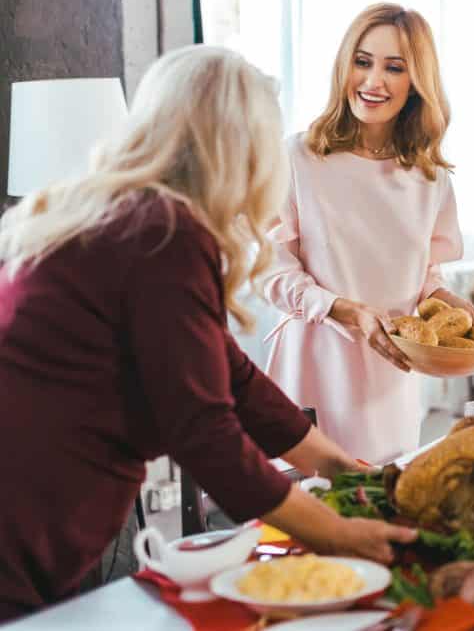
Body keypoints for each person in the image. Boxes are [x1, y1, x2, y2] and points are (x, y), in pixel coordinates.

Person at [0, 46, 416, 622]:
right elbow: (206, 432)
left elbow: (237, 383)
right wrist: (340, 534)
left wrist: (355, 477)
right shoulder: (163, 234)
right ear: (242, 150)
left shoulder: (128, 217)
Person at [264, 3, 474, 463]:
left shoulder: (429, 177)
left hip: (393, 374)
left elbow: (423, 274)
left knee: (385, 507)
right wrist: (346, 310)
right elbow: (270, 272)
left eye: (394, 68)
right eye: (362, 62)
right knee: (314, 515)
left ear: (416, 82)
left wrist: (444, 299)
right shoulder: (298, 159)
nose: (373, 81)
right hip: (316, 366)